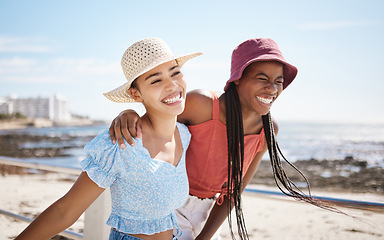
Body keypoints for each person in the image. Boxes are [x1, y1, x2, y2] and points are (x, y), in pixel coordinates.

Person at [109, 38, 338, 240]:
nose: (272, 88)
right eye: (262, 78)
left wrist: (205, 237)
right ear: (237, 78)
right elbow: (157, 116)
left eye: (278, 81)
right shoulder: (203, 104)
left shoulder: (267, 130)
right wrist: (128, 114)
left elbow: (234, 192)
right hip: (170, 205)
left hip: (209, 214)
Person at [15, 37, 202, 240]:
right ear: (135, 94)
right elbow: (64, 212)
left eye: (175, 73)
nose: (172, 85)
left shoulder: (184, 134)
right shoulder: (121, 143)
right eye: (156, 80)